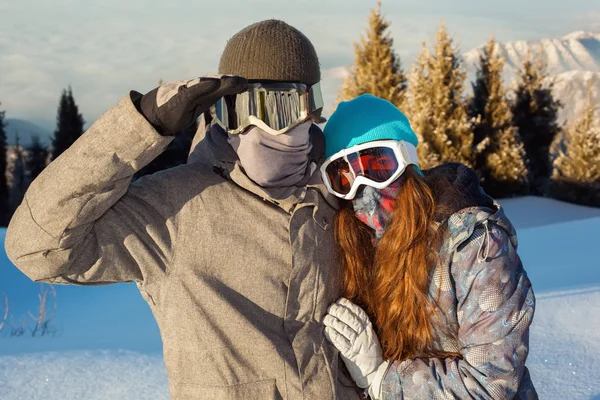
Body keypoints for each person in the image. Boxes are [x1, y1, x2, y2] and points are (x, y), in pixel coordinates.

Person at [5, 20, 361, 400]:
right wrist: (139, 127)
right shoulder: (175, 209)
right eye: (250, 109)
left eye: (287, 108)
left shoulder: (340, 198)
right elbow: (36, 248)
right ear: (225, 114)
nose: (271, 129)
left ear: (312, 109)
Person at [319, 94, 538, 399]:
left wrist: (382, 379)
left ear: (406, 161)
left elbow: (493, 383)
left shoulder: (474, 245)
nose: (363, 189)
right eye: (343, 176)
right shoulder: (350, 244)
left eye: (378, 165)